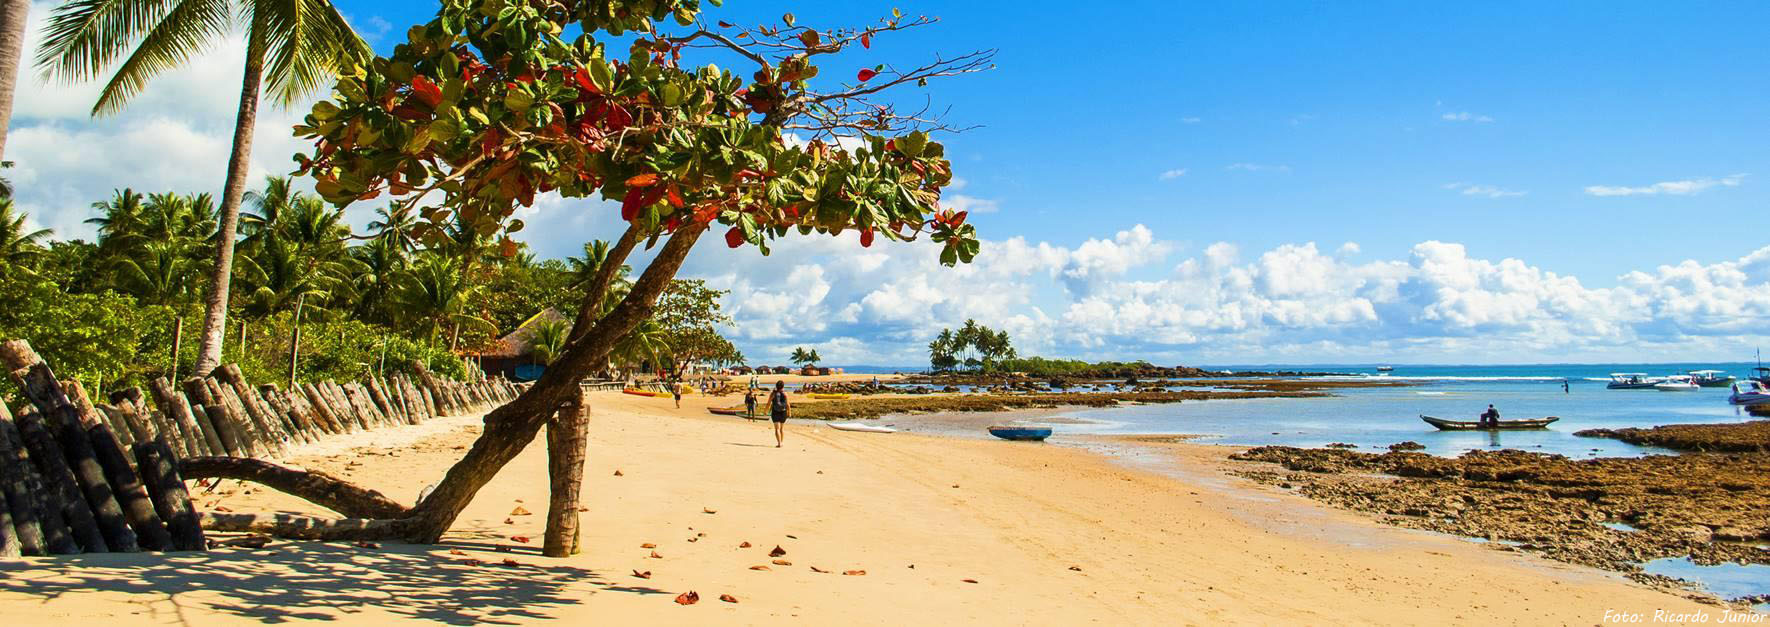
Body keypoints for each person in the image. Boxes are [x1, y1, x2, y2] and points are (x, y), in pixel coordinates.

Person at [769, 380, 790, 447]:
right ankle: (781, 442)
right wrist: (789, 412)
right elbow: (788, 405)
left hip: (775, 412)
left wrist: (765, 410)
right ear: (783, 386)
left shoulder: (773, 393)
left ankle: (779, 443)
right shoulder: (785, 394)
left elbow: (768, 403)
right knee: (781, 429)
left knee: (777, 429)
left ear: (776, 386)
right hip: (783, 412)